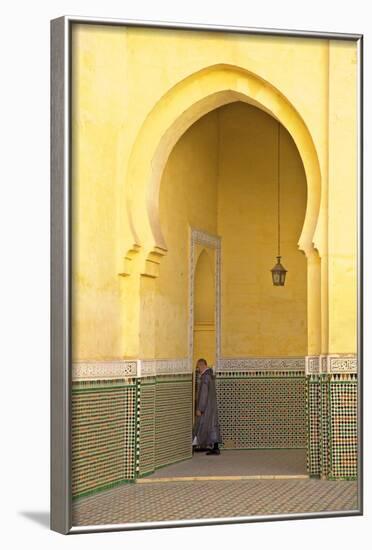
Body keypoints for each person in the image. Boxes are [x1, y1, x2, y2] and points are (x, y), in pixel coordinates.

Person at [192, 358, 222, 455]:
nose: (198, 369)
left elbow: (204, 394)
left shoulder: (205, 377)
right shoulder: (210, 375)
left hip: (206, 407)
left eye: (198, 367)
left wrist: (200, 408)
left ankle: (210, 447)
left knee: (203, 425)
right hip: (211, 406)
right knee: (211, 426)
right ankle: (206, 445)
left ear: (202, 365)